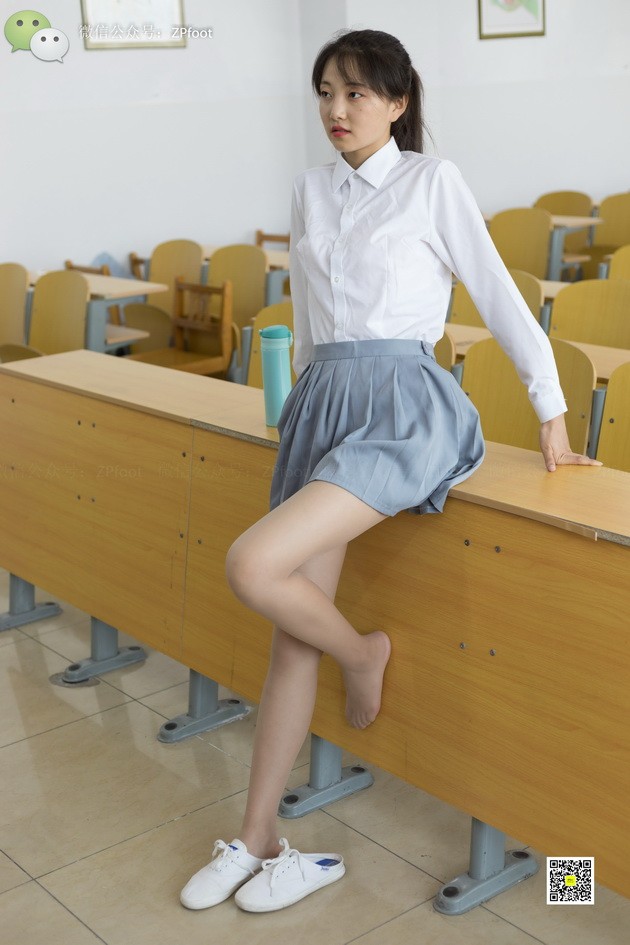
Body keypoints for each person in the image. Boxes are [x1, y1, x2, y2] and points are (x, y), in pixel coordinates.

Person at [180, 28, 600, 915]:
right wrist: (294, 403)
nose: (336, 110)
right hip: (324, 402)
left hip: (402, 404)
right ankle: (258, 835)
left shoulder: (430, 182)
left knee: (253, 564)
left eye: (357, 93)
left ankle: (364, 652)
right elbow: (311, 313)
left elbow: (497, 292)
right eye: (325, 93)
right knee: (289, 634)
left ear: (398, 102)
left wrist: (553, 413)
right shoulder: (309, 189)